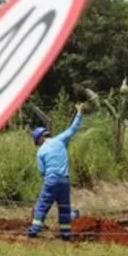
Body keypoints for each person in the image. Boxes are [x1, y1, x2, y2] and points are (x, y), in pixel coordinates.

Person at [27, 103, 88, 240]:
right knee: (64, 208)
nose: (38, 144)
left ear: (40, 139)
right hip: (64, 181)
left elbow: (42, 171)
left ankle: (34, 231)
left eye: (37, 142)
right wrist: (79, 113)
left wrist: (48, 182)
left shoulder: (40, 151)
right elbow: (73, 129)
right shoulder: (60, 140)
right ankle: (66, 234)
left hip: (51, 180)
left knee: (42, 206)